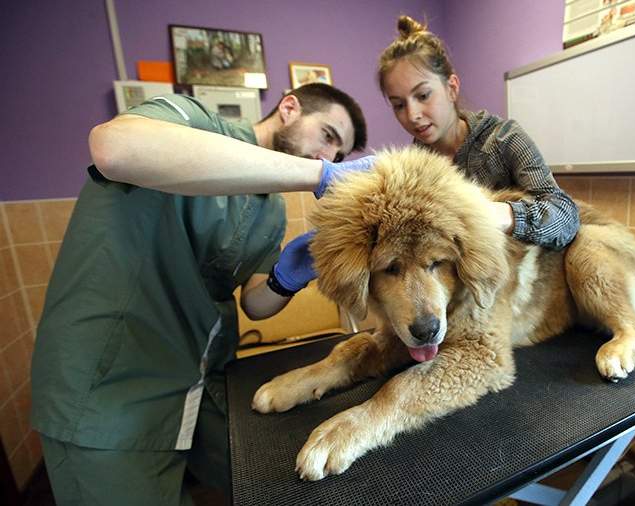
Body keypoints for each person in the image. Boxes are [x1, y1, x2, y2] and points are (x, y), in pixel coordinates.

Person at [30, 82, 374, 505]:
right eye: (327, 136)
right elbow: (113, 148)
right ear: (289, 107)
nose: (328, 157)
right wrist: (319, 176)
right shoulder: (193, 122)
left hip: (199, 375)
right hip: (110, 382)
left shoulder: (270, 209)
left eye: (338, 157)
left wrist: (288, 278)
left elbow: (254, 303)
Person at [377, 15, 580, 251]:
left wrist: (497, 215)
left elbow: (565, 216)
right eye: (399, 105)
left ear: (451, 88)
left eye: (423, 95)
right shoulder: (412, 163)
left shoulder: (505, 139)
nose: (412, 115)